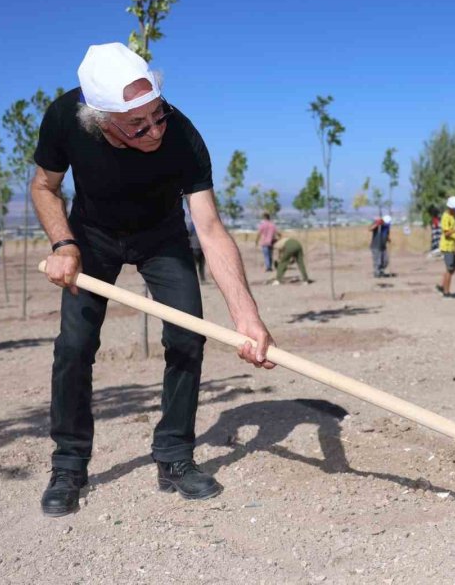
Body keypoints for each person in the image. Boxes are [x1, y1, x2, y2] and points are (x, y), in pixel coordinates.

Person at [31, 42, 275, 518]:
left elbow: (208, 226)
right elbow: (44, 186)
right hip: (91, 237)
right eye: (138, 125)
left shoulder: (182, 135)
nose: (155, 130)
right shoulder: (65, 118)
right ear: (100, 121)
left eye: (157, 114)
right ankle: (69, 465)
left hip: (162, 236)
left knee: (188, 335)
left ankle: (175, 456)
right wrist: (63, 244)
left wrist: (247, 316)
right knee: (75, 346)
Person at [436, 196, 455, 298]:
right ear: (451, 208)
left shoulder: (452, 217)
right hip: (447, 247)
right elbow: (446, 233)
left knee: (454, 267)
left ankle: (442, 286)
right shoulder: (446, 217)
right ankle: (446, 292)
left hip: (451, 246)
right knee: (450, 269)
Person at [188, 219, 206, 284]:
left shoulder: (203, 224)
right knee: (194, 265)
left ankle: (202, 279)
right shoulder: (192, 225)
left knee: (201, 265)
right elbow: (188, 235)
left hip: (202, 248)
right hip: (194, 248)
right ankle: (193, 279)